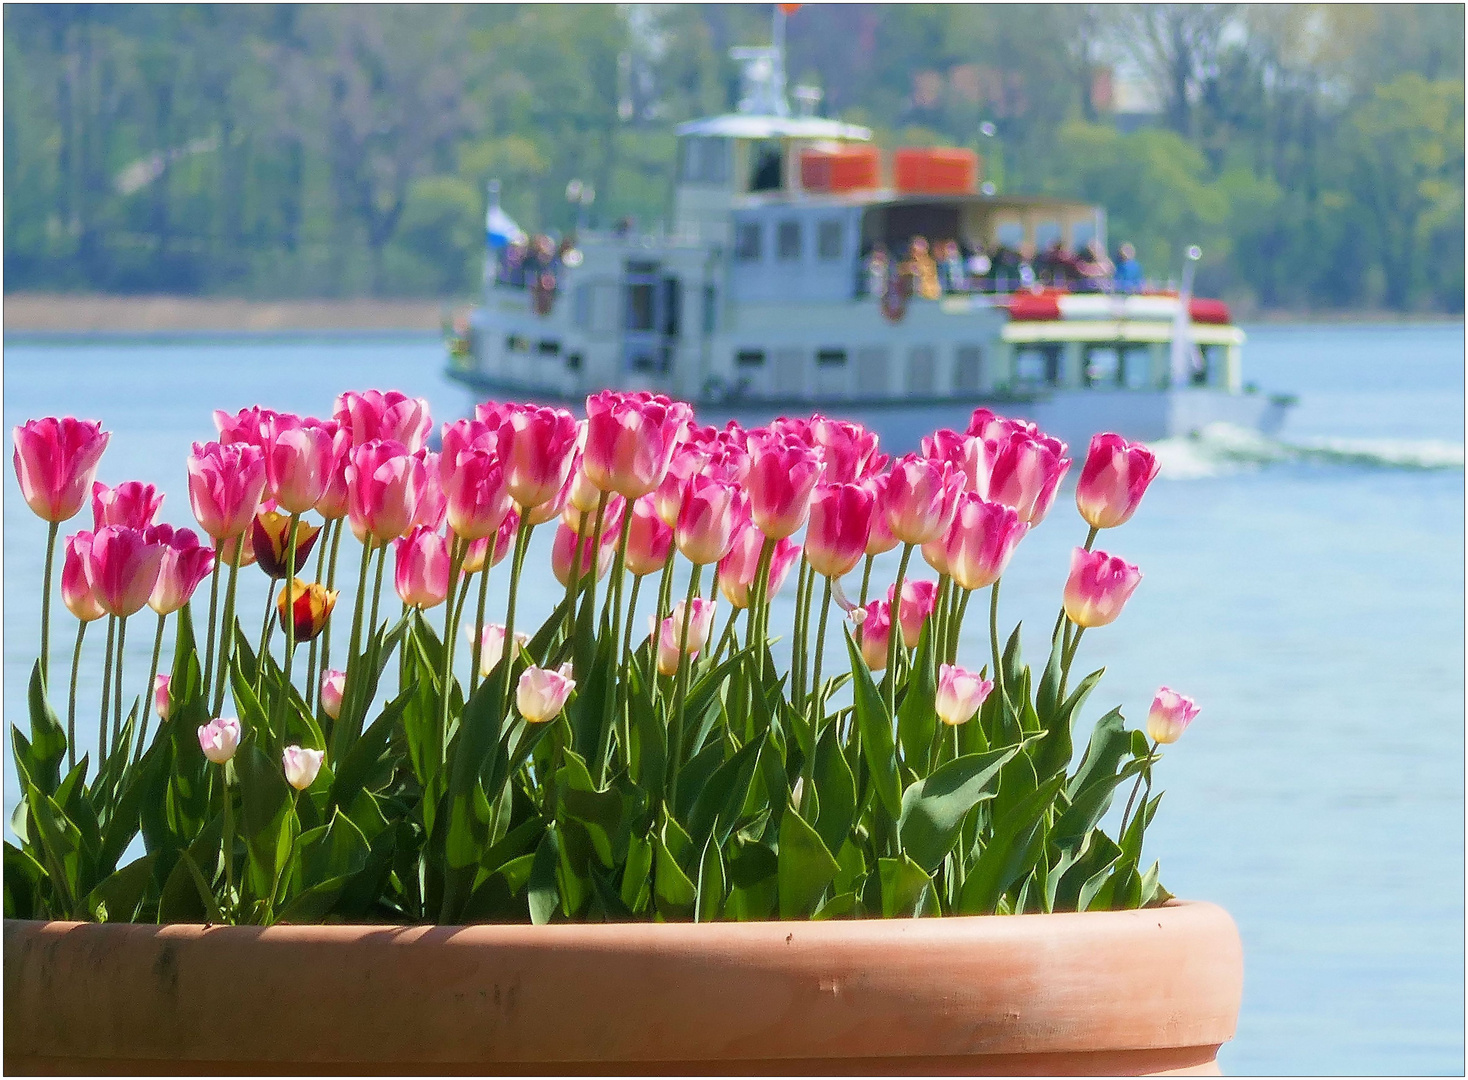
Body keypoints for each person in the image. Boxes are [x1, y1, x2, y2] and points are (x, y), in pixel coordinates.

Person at [905, 236, 941, 301]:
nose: (915, 254)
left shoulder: (929, 263)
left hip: (928, 297)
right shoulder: (908, 263)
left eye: (918, 251)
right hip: (912, 299)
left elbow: (929, 277)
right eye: (914, 250)